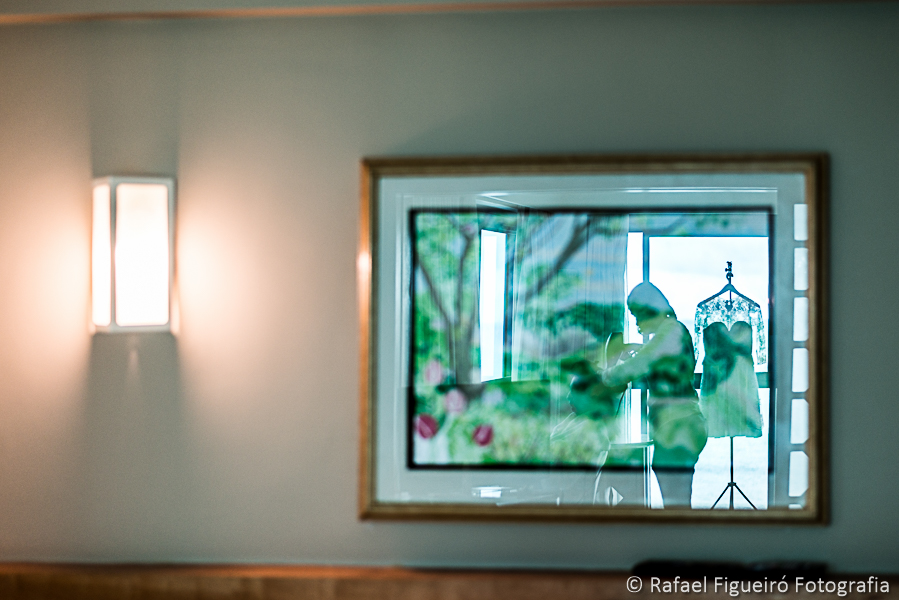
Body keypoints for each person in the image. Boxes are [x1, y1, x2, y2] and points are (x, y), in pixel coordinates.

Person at [602, 282, 708, 507]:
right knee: (677, 502)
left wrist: (602, 376)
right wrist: (639, 351)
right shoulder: (673, 331)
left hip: (679, 425)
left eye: (637, 314)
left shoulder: (671, 331)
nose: (636, 321)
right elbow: (659, 359)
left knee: (677, 505)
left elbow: (639, 365)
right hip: (681, 424)